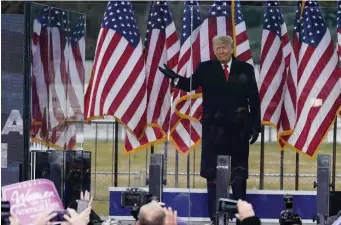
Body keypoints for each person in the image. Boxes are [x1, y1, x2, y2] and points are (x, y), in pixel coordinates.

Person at [159, 35, 261, 224]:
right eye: (217, 48)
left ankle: (242, 219)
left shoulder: (245, 69)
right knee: (212, 175)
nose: (220, 51)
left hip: (238, 132)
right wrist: (175, 79)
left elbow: (253, 98)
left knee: (238, 176)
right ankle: (215, 217)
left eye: (224, 47)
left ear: (232, 49)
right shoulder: (206, 68)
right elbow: (190, 85)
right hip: (214, 132)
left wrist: (256, 125)